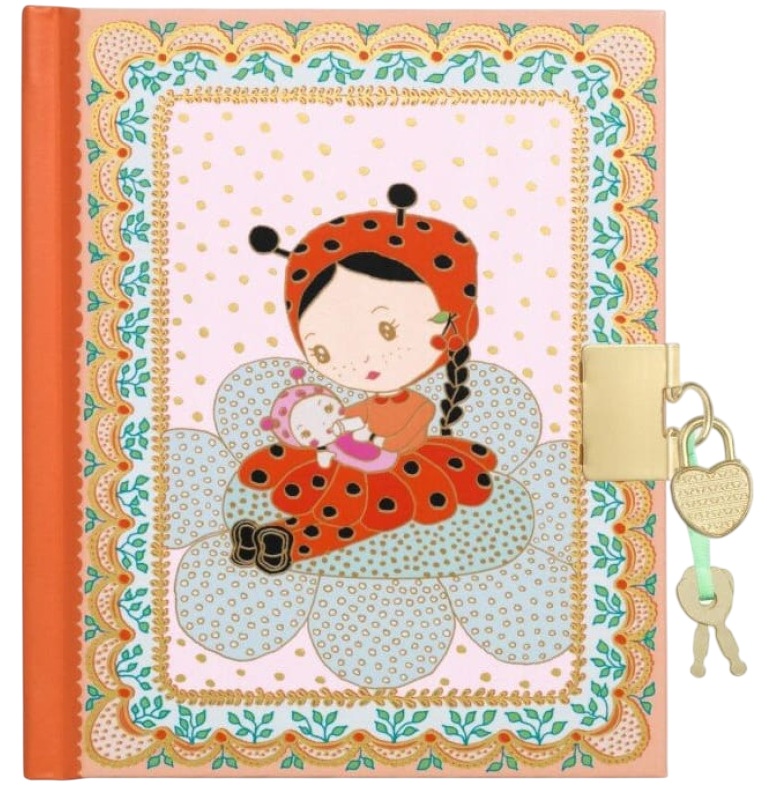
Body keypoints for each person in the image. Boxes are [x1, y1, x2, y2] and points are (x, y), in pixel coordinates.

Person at [232, 183, 497, 573]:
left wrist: (369, 440)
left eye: (388, 329)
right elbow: (344, 425)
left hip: (399, 466)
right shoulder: (359, 405)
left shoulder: (418, 405)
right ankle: (268, 537)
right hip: (352, 461)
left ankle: (289, 542)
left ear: (447, 322)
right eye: (323, 350)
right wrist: (332, 437)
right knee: (327, 490)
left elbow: (400, 441)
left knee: (356, 511)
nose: (366, 358)